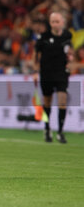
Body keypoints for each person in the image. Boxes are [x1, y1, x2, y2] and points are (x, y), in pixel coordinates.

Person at [33, 12, 73, 143]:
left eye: (57, 21)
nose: (55, 24)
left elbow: (69, 49)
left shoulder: (68, 35)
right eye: (52, 22)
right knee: (47, 102)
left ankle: (60, 131)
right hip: (46, 73)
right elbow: (36, 55)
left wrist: (71, 57)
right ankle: (47, 128)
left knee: (62, 100)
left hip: (61, 72)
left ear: (62, 22)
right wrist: (34, 71)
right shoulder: (43, 38)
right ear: (50, 23)